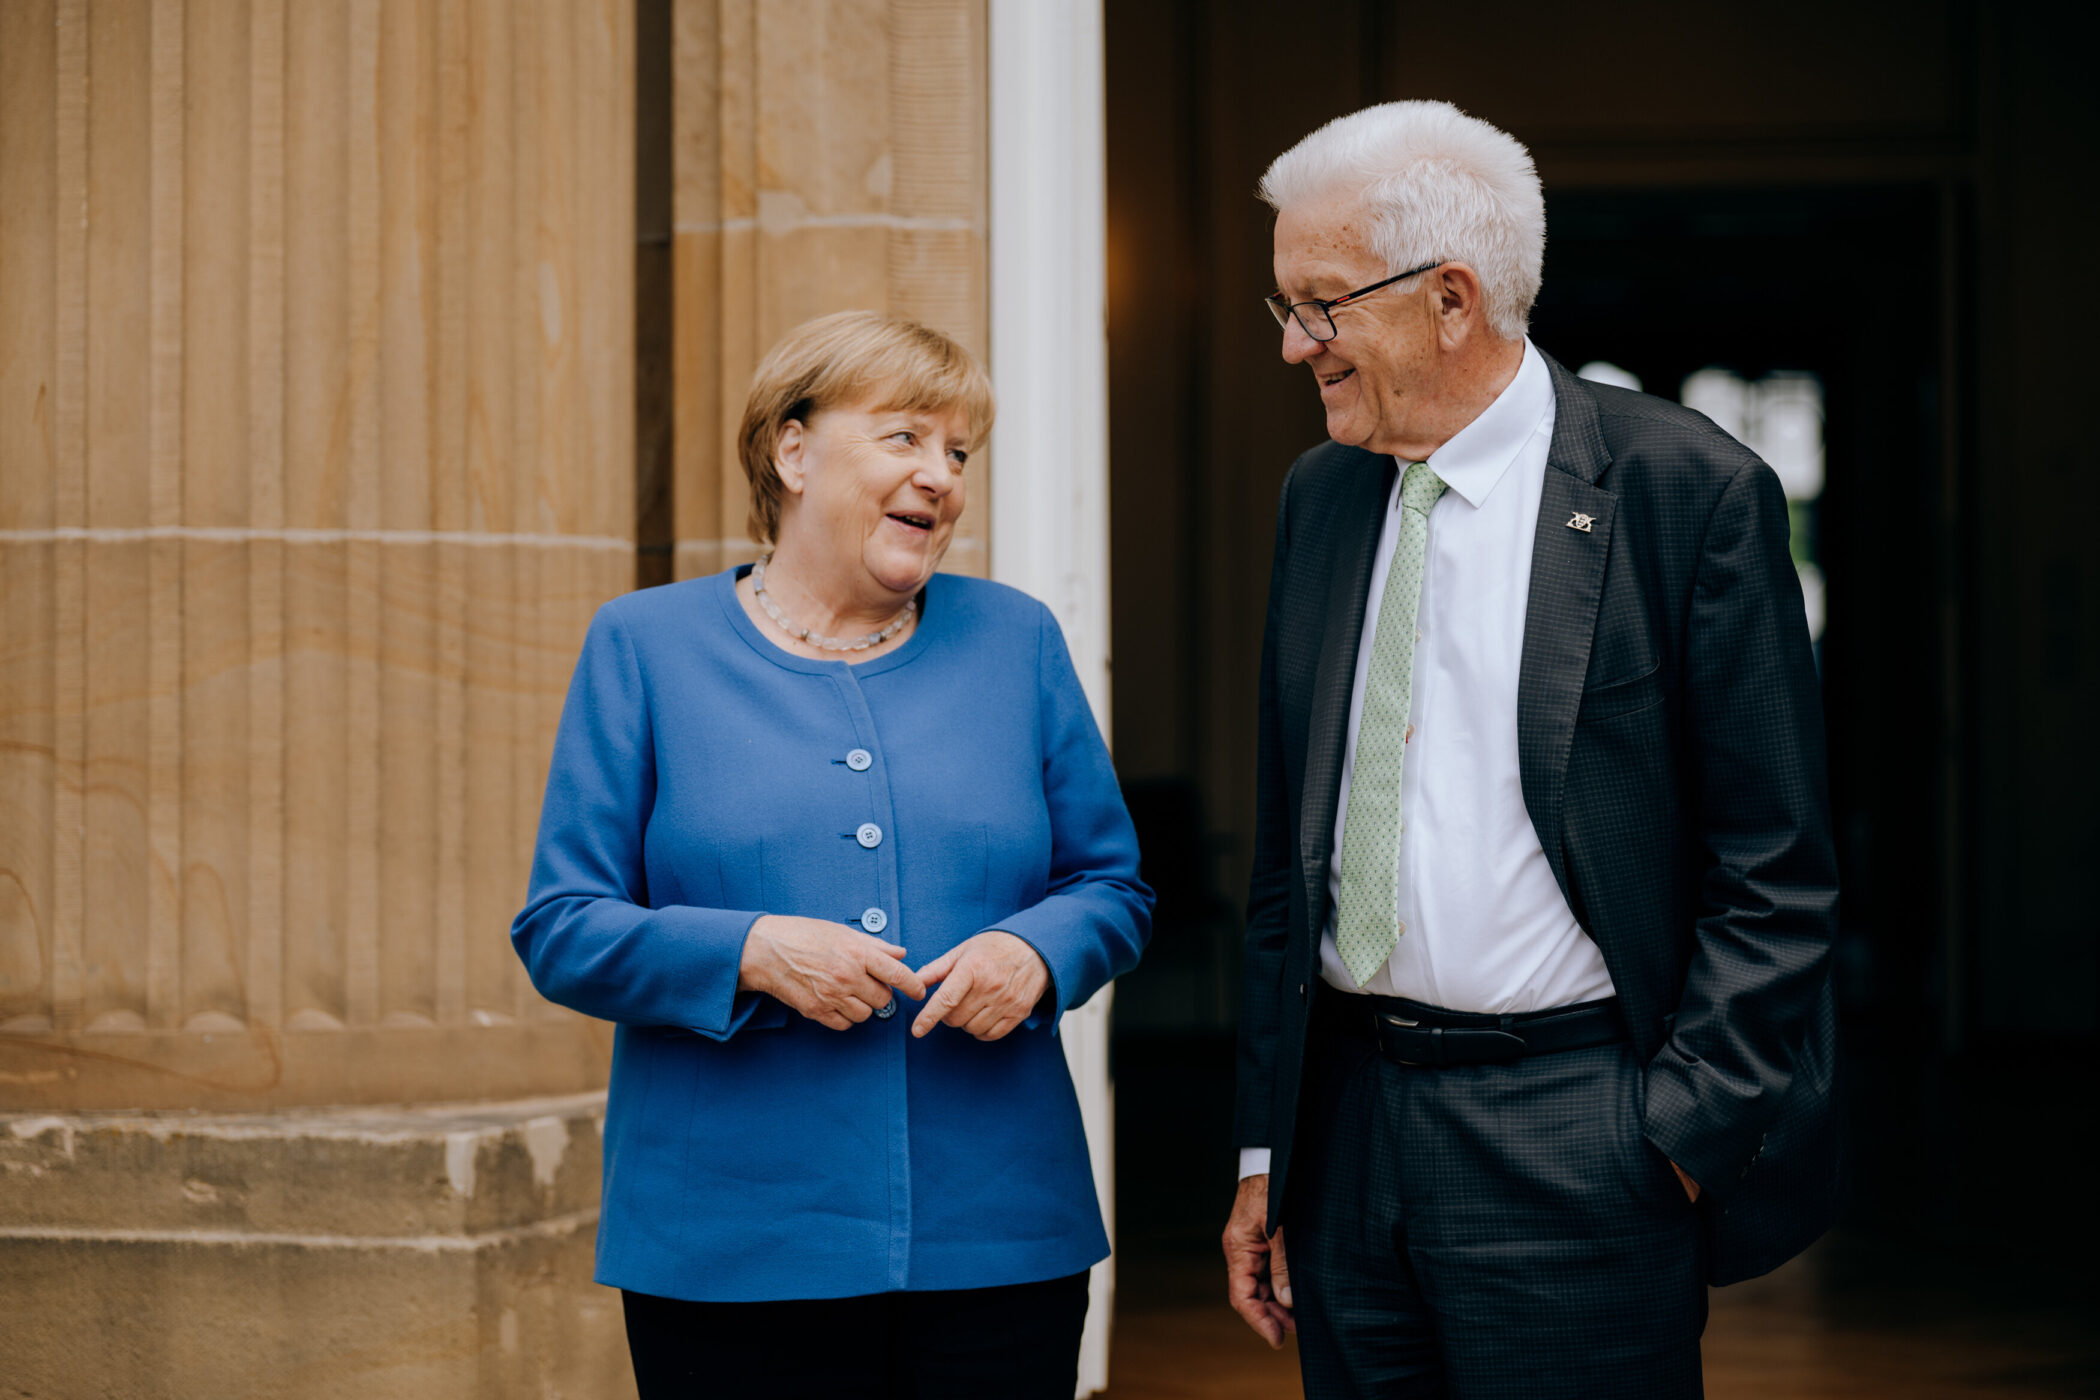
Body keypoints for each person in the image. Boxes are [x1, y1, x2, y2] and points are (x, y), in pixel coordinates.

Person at [1221, 101, 1841, 1398]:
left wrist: (1676, 1135)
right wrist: (1265, 1149)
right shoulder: (1318, 497)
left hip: (1583, 1130)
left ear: (1450, 297)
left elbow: (1772, 869)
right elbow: (1291, 852)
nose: (1294, 345)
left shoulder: (1687, 494)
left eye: (1319, 305)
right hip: (1345, 1129)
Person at [513, 310, 1152, 1399]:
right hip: (727, 1240)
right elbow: (562, 924)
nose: (941, 476)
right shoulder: (645, 646)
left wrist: (1038, 954)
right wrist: (751, 949)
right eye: (905, 437)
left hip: (997, 1230)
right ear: (792, 451)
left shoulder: (1017, 640)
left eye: (959, 452)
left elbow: (1111, 886)